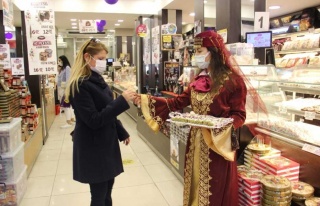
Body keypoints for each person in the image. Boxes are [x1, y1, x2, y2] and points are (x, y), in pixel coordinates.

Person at [135, 31, 248, 205]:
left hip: (217, 144)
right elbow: (176, 103)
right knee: (195, 181)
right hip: (195, 141)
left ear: (214, 52)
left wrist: (222, 126)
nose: (196, 56)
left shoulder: (233, 82)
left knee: (215, 187)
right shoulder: (199, 79)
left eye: (200, 51)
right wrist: (145, 99)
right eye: (195, 51)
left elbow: (239, 115)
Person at [64, 38, 137, 206]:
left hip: (106, 142)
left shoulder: (98, 79)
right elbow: (93, 120)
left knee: (108, 187)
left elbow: (107, 109)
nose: (104, 62)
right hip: (93, 146)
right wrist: (122, 101)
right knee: (98, 193)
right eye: (101, 59)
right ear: (87, 57)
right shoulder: (80, 85)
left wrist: (121, 131)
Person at [57, 55, 75, 128]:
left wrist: (67, 91)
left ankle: (68, 122)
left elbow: (68, 79)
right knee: (68, 106)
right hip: (62, 89)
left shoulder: (67, 68)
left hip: (65, 89)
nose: (59, 62)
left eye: (60, 60)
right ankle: (71, 120)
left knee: (66, 106)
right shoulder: (63, 68)